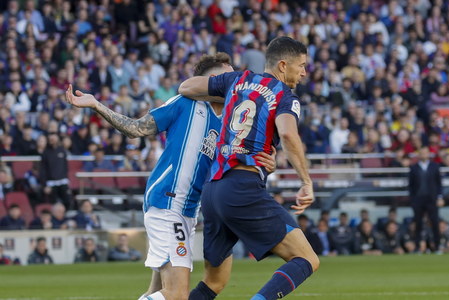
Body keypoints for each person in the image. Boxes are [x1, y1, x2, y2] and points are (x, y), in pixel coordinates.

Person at [65, 53, 277, 300]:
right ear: (211, 79)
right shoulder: (185, 103)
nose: (233, 81)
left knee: (156, 293)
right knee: (177, 295)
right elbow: (136, 128)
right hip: (167, 202)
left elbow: (236, 166)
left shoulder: (229, 123)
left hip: (187, 212)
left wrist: (265, 165)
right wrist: (95, 104)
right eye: (227, 76)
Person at [179, 36, 319, 300]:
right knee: (306, 258)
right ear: (282, 65)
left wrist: (228, 92)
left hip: (213, 191)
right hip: (242, 188)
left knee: (213, 282)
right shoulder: (285, 96)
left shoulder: (236, 80)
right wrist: (306, 182)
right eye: (301, 65)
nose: (303, 72)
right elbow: (288, 135)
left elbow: (186, 87)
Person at [408, 146, 444, 254]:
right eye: (421, 153)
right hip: (418, 199)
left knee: (435, 223)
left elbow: (439, 184)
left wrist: (440, 197)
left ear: (429, 154)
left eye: (425, 153)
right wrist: (412, 200)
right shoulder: (413, 168)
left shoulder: (434, 166)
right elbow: (411, 186)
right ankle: (418, 247)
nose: (423, 155)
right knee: (418, 224)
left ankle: (437, 247)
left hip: (431, 199)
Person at [40, 132, 71, 209]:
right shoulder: (46, 153)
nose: (52, 140)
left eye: (54, 138)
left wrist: (67, 179)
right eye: (50, 139)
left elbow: (65, 166)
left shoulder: (62, 151)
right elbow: (43, 169)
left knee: (68, 201)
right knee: (53, 203)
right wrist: (45, 185)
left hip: (63, 181)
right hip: (51, 183)